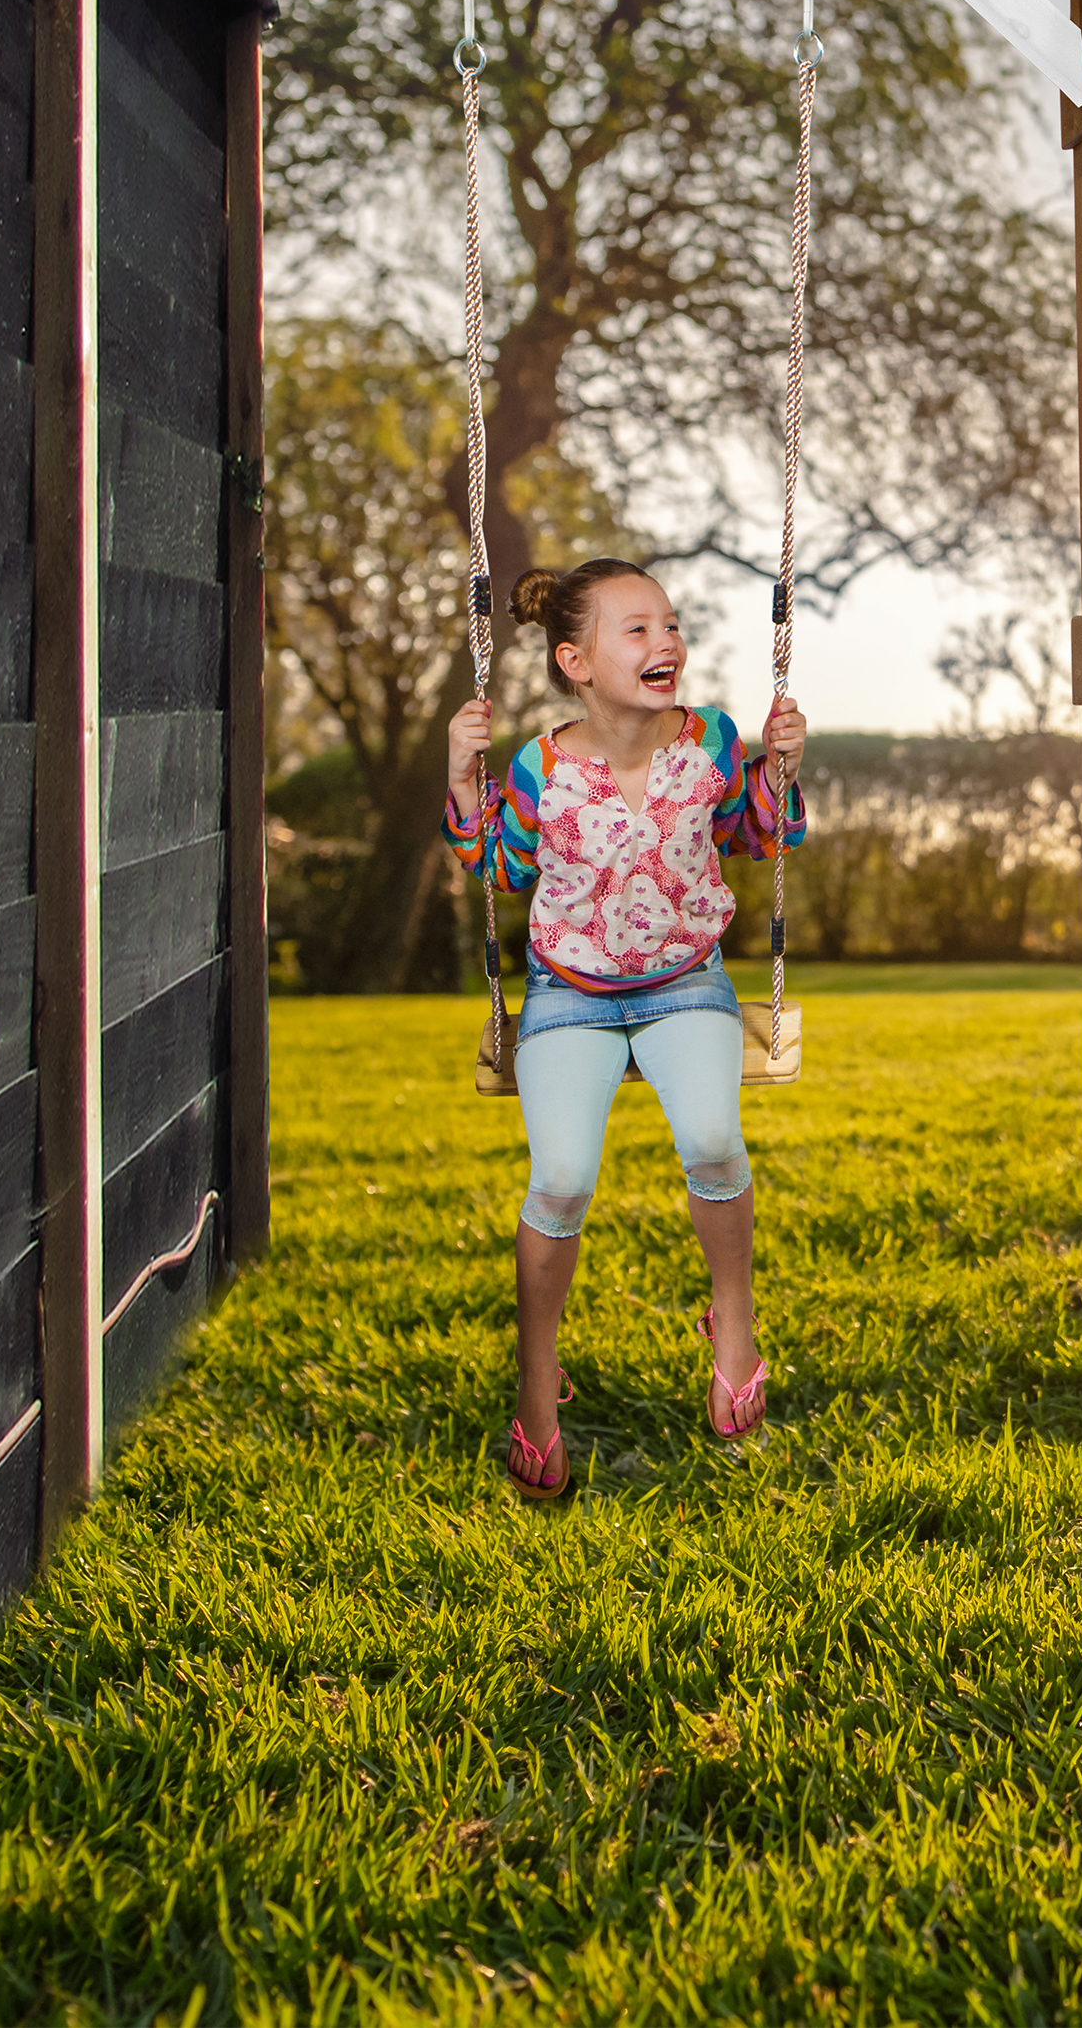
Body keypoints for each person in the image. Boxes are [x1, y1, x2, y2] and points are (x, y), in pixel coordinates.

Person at [444, 557, 807, 1500]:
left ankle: (733, 1317)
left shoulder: (715, 741)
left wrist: (780, 769)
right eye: (637, 630)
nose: (667, 643)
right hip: (570, 995)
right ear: (576, 661)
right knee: (560, 1179)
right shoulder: (539, 766)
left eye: (672, 626)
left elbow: (759, 835)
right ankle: (536, 1372)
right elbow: (493, 862)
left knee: (716, 1144)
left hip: (688, 982)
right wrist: (459, 770)